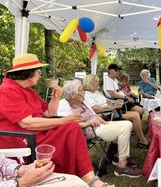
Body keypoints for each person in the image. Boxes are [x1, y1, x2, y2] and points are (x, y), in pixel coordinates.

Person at [0, 53, 114, 187]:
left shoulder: (29, 91)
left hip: (36, 132)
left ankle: (87, 177)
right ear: (28, 73)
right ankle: (87, 178)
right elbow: (26, 122)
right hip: (22, 137)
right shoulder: (8, 89)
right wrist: (64, 121)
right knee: (71, 128)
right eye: (38, 71)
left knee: (72, 128)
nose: (40, 74)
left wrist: (55, 98)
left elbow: (49, 113)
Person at [57, 79, 143, 178]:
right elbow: (66, 123)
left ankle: (117, 157)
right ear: (72, 95)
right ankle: (121, 166)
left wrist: (97, 117)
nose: (84, 91)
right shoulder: (63, 105)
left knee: (127, 124)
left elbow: (92, 114)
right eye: (81, 90)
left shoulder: (81, 102)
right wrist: (87, 123)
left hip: (97, 125)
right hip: (88, 131)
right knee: (126, 126)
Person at [103, 64, 149, 149]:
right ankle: (140, 137)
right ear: (110, 70)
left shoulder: (114, 80)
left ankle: (137, 130)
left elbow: (120, 90)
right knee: (139, 111)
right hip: (119, 103)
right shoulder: (108, 81)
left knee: (141, 110)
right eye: (116, 70)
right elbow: (113, 94)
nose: (118, 72)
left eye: (118, 70)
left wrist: (128, 94)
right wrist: (126, 97)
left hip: (123, 100)